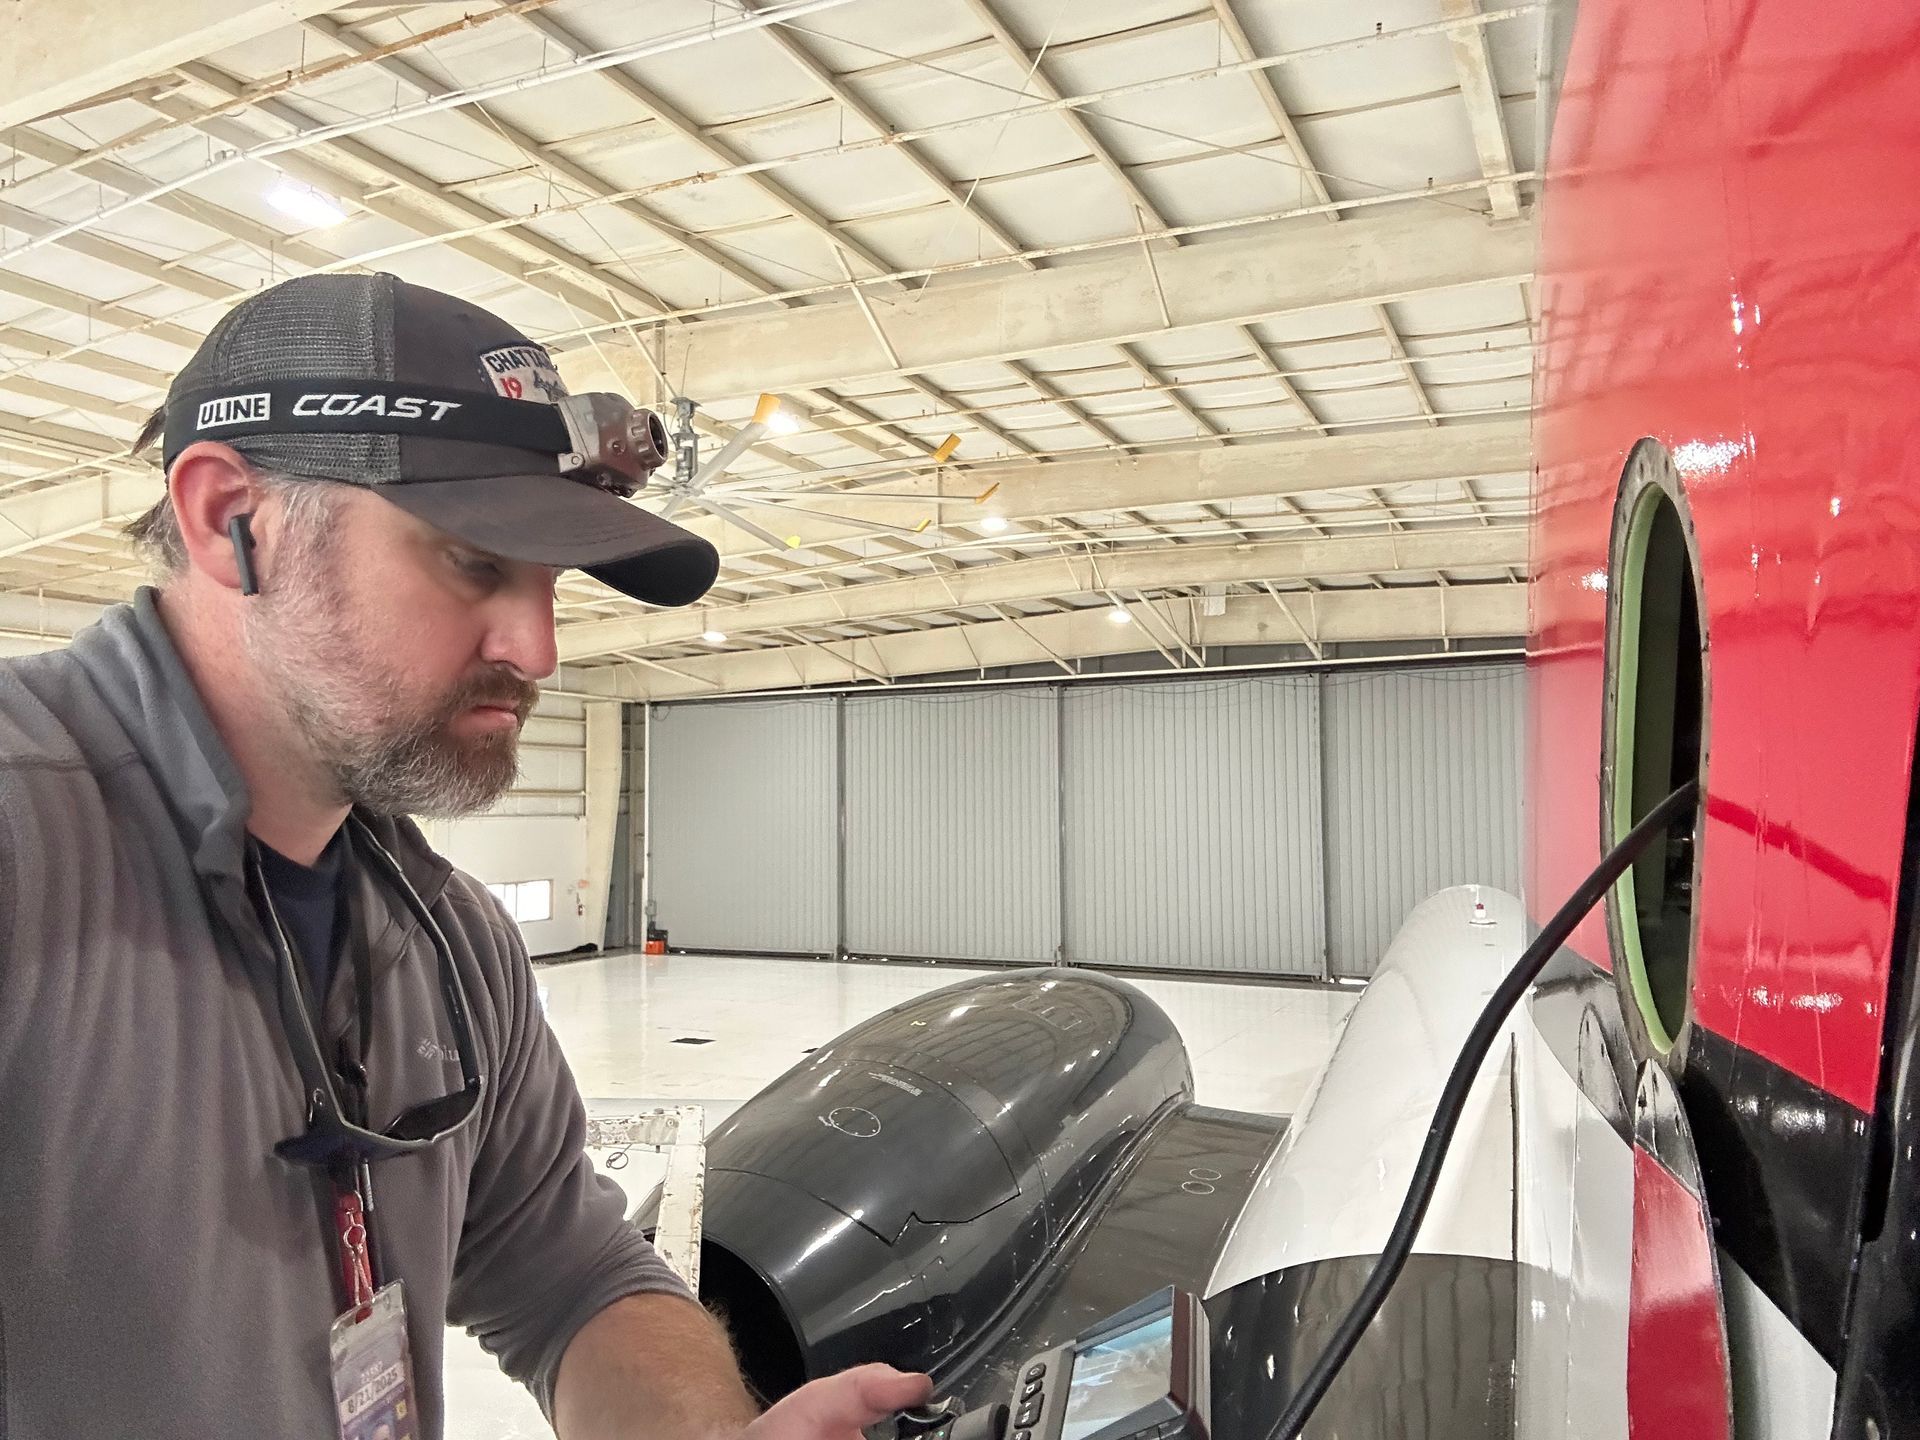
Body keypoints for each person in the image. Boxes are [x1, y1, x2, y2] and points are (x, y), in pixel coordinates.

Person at [0, 273, 930, 1439]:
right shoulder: (28, 851)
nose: (537, 647)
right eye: (473, 561)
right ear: (228, 516)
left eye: (550, 582)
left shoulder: (446, 937)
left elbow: (571, 1274)